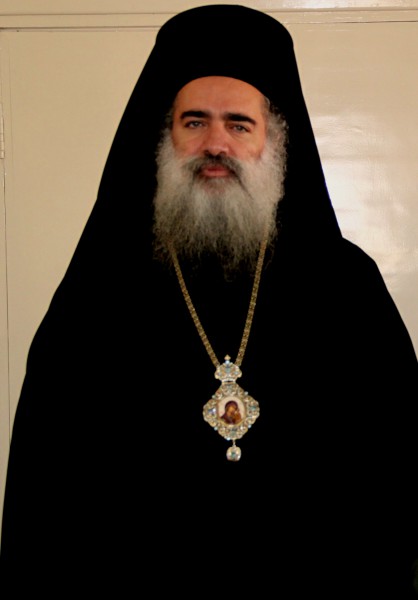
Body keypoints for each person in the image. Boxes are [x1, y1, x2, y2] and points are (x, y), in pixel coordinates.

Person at [1, 4, 417, 596]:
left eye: (239, 125)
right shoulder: (99, 291)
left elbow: (399, 473)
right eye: (194, 122)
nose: (215, 143)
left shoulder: (347, 287)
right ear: (164, 137)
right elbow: (45, 493)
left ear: (274, 142)